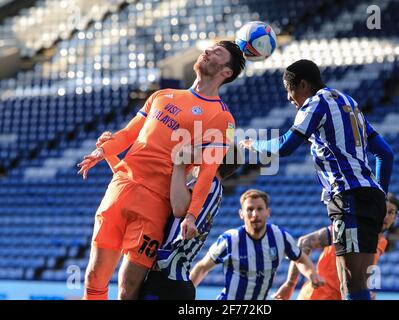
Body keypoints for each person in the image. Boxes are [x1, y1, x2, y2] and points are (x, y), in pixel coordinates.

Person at [77, 41, 246, 300]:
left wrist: (191, 215)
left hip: (156, 202)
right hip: (120, 188)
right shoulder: (162, 95)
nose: (207, 52)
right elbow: (129, 134)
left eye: (217, 53)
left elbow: (209, 171)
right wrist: (104, 150)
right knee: (93, 276)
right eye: (209, 48)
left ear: (226, 72)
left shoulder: (222, 118)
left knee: (128, 287)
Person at [240, 59, 394, 300]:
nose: (289, 99)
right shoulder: (349, 103)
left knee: (350, 286)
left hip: (348, 199)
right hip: (371, 197)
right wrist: (382, 197)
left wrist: (255, 144)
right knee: (359, 284)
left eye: (289, 91)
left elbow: (286, 145)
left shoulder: (315, 103)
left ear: (302, 85)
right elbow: (385, 153)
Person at [97, 132, 243, 300]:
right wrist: (110, 155)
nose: (198, 152)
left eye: (204, 149)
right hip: (175, 280)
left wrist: (180, 164)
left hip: (167, 280)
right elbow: (137, 189)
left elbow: (178, 207)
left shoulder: (206, 185)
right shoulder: (210, 188)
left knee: (126, 291)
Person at [190, 189, 325, 300]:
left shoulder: (280, 237)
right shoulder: (230, 240)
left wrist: (312, 274)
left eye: (260, 209)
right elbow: (202, 267)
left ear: (268, 212)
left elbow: (300, 258)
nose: (255, 214)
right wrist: (187, 294)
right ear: (241, 214)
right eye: (249, 209)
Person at [273, 193, 399, 300]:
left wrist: (366, 290)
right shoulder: (349, 228)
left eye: (391, 212)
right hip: (318, 295)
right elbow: (304, 242)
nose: (386, 216)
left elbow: (362, 268)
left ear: (395, 218)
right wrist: (290, 284)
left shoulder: (382, 242)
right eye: (383, 210)